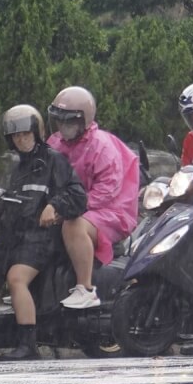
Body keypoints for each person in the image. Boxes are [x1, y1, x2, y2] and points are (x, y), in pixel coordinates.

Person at [0, 106, 87, 362]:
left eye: (25, 134)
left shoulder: (53, 160)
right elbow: (1, 199)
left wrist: (54, 205)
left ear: (36, 132)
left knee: (16, 278)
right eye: (15, 136)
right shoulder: (13, 166)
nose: (21, 139)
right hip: (11, 240)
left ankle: (28, 346)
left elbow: (78, 195)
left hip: (41, 239)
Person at [47, 86, 139, 309]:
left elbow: (108, 190)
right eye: (59, 121)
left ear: (84, 120)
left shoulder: (101, 146)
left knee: (73, 225)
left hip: (112, 211)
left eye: (69, 121)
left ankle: (85, 288)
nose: (63, 126)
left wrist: (68, 208)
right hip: (75, 207)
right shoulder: (54, 143)